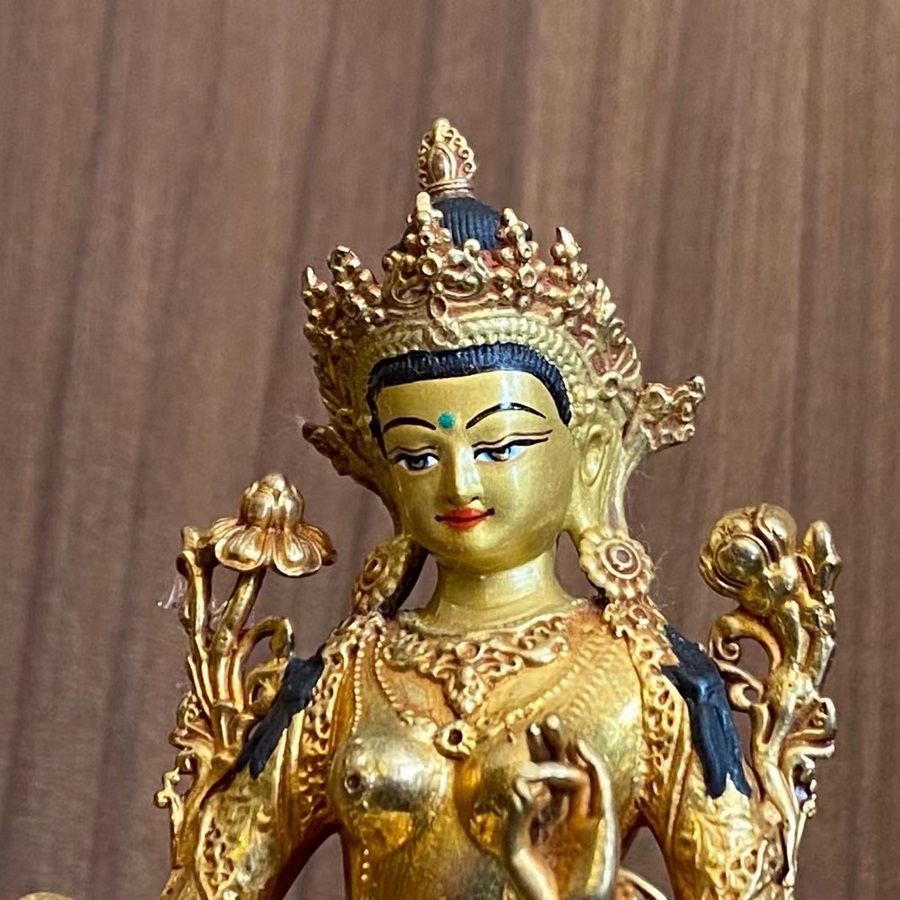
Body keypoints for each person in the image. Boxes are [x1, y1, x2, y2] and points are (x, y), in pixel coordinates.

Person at [154, 120, 838, 900]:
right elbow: (216, 885)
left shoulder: (652, 681)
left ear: (587, 456)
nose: (458, 482)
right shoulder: (338, 684)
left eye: (501, 444)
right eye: (418, 454)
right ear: (383, 473)